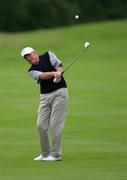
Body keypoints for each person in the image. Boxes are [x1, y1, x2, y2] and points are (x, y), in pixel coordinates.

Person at [21, 47, 68, 161]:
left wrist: (59, 73)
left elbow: (60, 66)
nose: (28, 58)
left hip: (60, 93)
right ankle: (45, 154)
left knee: (55, 125)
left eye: (29, 55)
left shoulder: (48, 55)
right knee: (40, 125)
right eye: (26, 58)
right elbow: (42, 76)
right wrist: (54, 74)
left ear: (34, 52)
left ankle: (55, 155)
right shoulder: (31, 71)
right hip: (45, 97)